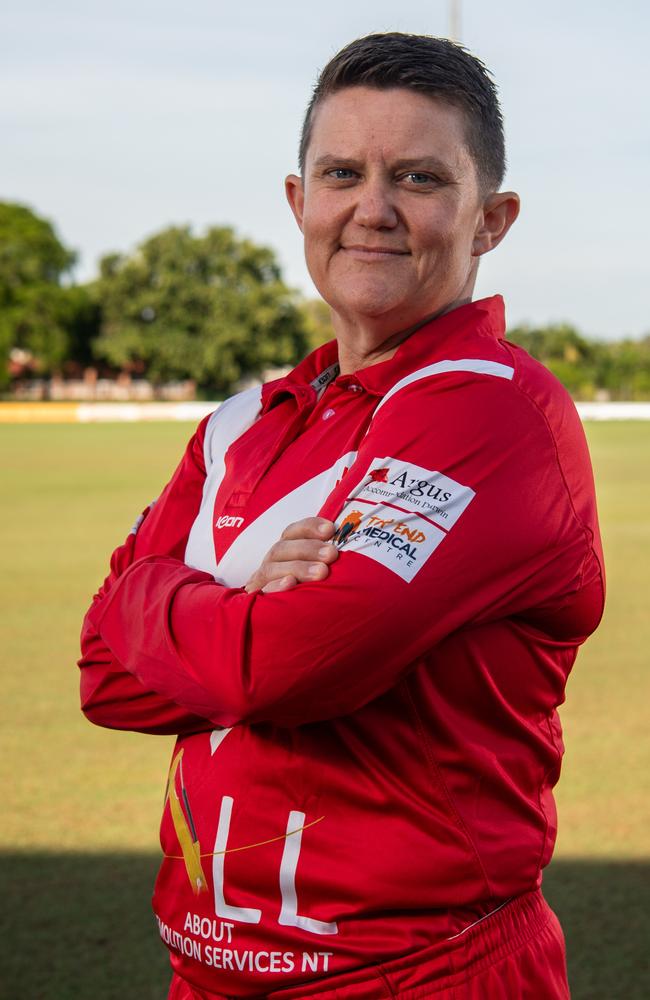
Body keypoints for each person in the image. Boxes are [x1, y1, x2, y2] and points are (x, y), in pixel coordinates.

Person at [79, 32, 605, 999]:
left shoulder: (491, 409)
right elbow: (102, 678)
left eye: (418, 178)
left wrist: (153, 594)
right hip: (206, 971)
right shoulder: (242, 424)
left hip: (415, 976)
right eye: (342, 173)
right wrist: (236, 601)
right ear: (299, 202)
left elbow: (289, 665)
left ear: (491, 219)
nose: (373, 209)